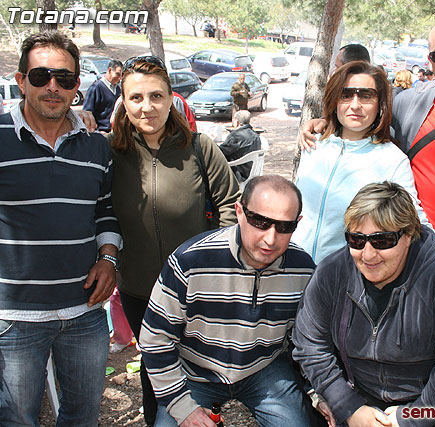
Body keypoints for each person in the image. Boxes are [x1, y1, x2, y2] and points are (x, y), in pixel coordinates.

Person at [301, 17, 435, 265]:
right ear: (430, 61)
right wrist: (325, 123)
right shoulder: (409, 105)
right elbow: (361, 120)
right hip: (412, 259)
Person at [109, 55, 241, 425]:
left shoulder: (200, 147)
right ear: (124, 101)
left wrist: (221, 267)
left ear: (171, 99)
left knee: (199, 370)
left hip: (196, 293)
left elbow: (232, 208)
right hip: (138, 292)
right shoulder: (109, 151)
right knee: (155, 372)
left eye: (156, 96)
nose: (147, 107)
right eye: (136, 98)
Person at [293, 182, 435, 427]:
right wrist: (348, 406)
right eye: (356, 240)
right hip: (354, 396)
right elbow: (310, 344)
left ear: (408, 235)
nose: (368, 255)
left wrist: (411, 418)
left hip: (426, 404)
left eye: (382, 240)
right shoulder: (332, 274)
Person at [0, 31, 121, 426]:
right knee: (17, 420)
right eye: (41, 77)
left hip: (84, 312)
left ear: (77, 86)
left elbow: (105, 209)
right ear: (21, 81)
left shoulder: (96, 146)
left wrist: (107, 258)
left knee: (83, 416)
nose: (53, 86)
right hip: (13, 317)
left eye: (65, 79)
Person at [139, 175, 316, 427]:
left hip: (263, 368)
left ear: (297, 224)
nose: (270, 238)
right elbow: (154, 338)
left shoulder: (303, 270)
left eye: (284, 227)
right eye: (260, 221)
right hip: (194, 371)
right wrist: (183, 407)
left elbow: (310, 341)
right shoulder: (190, 262)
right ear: (239, 211)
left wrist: (318, 394)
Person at [293, 60, 435, 264]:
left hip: (341, 279)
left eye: (366, 96)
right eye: (346, 95)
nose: (355, 105)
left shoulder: (392, 160)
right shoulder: (313, 143)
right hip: (293, 270)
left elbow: (415, 221)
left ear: (380, 104)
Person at [219, 109, 262, 180]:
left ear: (237, 122)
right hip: (252, 172)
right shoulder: (256, 136)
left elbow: (222, 152)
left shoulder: (236, 136)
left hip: (238, 173)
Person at [83, 58, 123, 132]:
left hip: (115, 133)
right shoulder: (96, 88)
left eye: (121, 75)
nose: (119, 78)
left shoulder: (117, 89)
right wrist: (97, 132)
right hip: (101, 132)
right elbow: (87, 114)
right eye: (117, 74)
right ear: (110, 70)